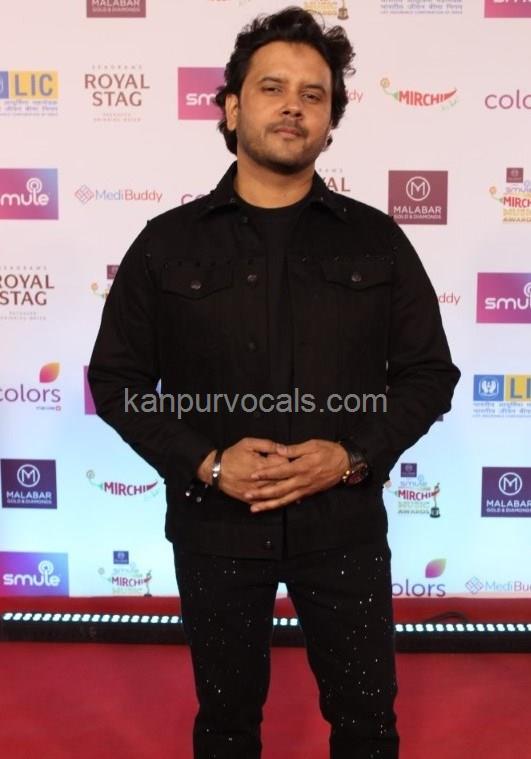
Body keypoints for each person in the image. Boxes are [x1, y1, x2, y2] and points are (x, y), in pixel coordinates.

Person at [88, 6, 460, 758]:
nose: (293, 105)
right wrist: (206, 462)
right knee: (226, 726)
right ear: (231, 108)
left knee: (367, 724)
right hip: (215, 529)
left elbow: (429, 374)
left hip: (344, 529)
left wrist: (350, 456)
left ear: (330, 123)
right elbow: (117, 380)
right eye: (271, 87)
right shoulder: (166, 243)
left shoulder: (377, 240)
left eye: (313, 94)